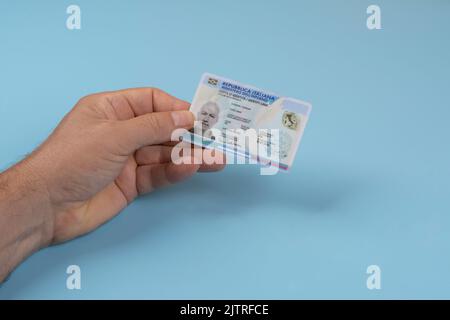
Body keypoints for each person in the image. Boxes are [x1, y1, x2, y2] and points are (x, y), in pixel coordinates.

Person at [0, 88, 225, 283]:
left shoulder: (214, 140)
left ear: (217, 121)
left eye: (210, 115)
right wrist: (47, 197)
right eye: (203, 112)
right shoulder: (184, 130)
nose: (204, 117)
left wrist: (48, 207)